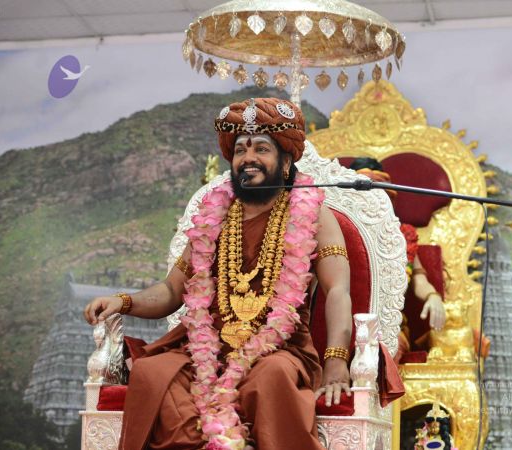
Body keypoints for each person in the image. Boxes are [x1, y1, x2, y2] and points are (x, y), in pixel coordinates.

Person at [84, 98, 353, 450]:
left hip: (278, 350)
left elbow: (338, 291)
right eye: (240, 150)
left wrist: (336, 360)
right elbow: (171, 291)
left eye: (261, 149)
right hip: (206, 349)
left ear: (286, 162)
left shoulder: (313, 214)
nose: (248, 158)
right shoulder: (215, 216)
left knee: (270, 376)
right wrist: (122, 301)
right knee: (152, 372)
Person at [348, 158, 445, 363]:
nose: (371, 202)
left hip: (387, 326)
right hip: (341, 322)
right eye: (365, 196)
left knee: (375, 355)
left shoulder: (401, 236)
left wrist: (433, 296)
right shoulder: (337, 230)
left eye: (379, 196)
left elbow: (418, 278)